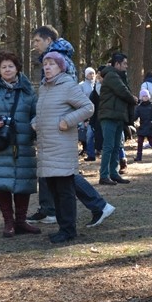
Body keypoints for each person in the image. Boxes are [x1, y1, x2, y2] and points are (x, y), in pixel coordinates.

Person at [27, 27, 115, 229]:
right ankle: (49, 210)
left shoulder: (61, 63)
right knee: (55, 175)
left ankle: (97, 206)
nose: (34, 45)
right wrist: (38, 121)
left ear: (49, 40)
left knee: (65, 176)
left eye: (37, 40)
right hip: (50, 131)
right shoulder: (50, 65)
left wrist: (66, 120)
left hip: (59, 133)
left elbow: (76, 100)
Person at [0, 52, 41, 237]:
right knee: (1, 183)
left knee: (23, 182)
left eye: (10, 66)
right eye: (3, 67)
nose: (7, 69)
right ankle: (8, 223)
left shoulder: (28, 90)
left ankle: (21, 221)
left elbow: (37, 113)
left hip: (22, 144)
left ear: (17, 68)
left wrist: (35, 124)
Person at [33, 52, 94, 243]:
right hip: (46, 147)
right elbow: (47, 112)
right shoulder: (44, 87)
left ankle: (69, 229)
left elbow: (88, 107)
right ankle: (62, 228)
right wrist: (36, 121)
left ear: (61, 67)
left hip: (62, 147)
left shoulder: (68, 85)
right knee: (54, 190)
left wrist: (68, 121)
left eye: (51, 64)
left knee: (64, 191)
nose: (47, 67)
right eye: (45, 64)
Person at [98, 53, 137, 185]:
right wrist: (134, 99)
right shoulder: (111, 76)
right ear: (117, 64)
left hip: (118, 116)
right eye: (124, 64)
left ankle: (113, 174)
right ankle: (104, 175)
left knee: (116, 146)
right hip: (109, 116)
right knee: (108, 146)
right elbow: (123, 91)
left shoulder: (119, 76)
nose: (126, 66)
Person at [133, 89, 152, 162]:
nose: (145, 97)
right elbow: (135, 116)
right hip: (142, 126)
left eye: (147, 96)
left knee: (151, 142)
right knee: (140, 141)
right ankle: (139, 156)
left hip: (150, 126)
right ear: (141, 97)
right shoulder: (139, 107)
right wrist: (132, 119)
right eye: (144, 96)